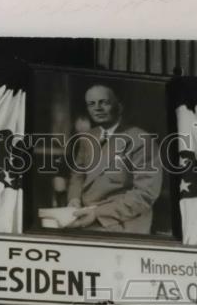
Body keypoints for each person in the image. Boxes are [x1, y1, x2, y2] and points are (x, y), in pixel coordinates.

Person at [65, 83, 163, 234]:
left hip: (123, 224)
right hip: (86, 219)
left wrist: (97, 213)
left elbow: (145, 194)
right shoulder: (88, 137)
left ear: (120, 106)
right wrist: (74, 200)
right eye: (91, 104)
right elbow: (77, 175)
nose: (97, 108)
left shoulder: (141, 139)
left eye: (104, 102)